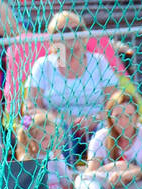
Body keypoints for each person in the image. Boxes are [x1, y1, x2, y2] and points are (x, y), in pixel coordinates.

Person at [25, 11, 119, 164]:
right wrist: (63, 119)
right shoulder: (43, 65)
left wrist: (93, 119)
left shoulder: (99, 62)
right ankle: (63, 177)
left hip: (96, 122)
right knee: (57, 131)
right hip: (60, 123)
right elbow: (31, 106)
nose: (72, 34)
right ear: (53, 37)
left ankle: (102, 174)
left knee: (105, 131)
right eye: (64, 31)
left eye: (77, 29)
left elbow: (115, 102)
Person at [15, 110, 72, 189]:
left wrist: (58, 161)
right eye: (45, 139)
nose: (50, 141)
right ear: (32, 141)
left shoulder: (57, 157)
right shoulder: (29, 160)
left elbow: (67, 180)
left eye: (52, 137)